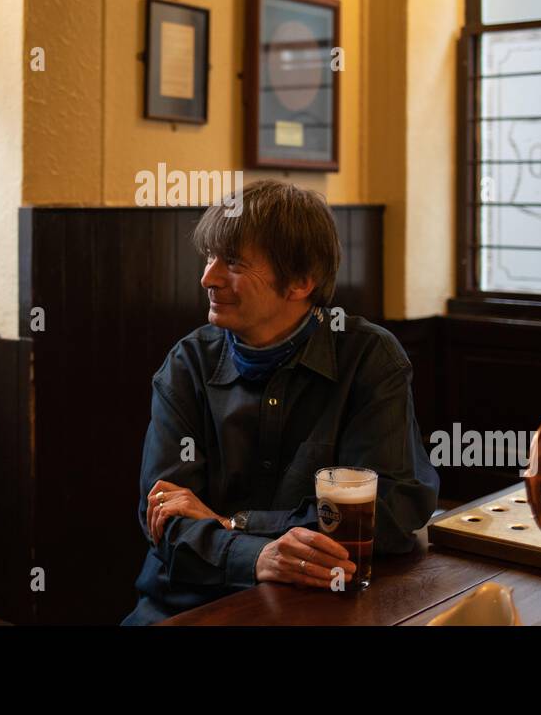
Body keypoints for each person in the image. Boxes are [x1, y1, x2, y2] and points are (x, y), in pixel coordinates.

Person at [120, 180, 440, 625]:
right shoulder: (187, 363)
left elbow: (385, 512)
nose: (207, 277)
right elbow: (165, 519)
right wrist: (257, 557)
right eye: (210, 257)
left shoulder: (368, 358)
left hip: (319, 607)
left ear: (301, 281)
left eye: (232, 262)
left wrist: (233, 525)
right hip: (184, 606)